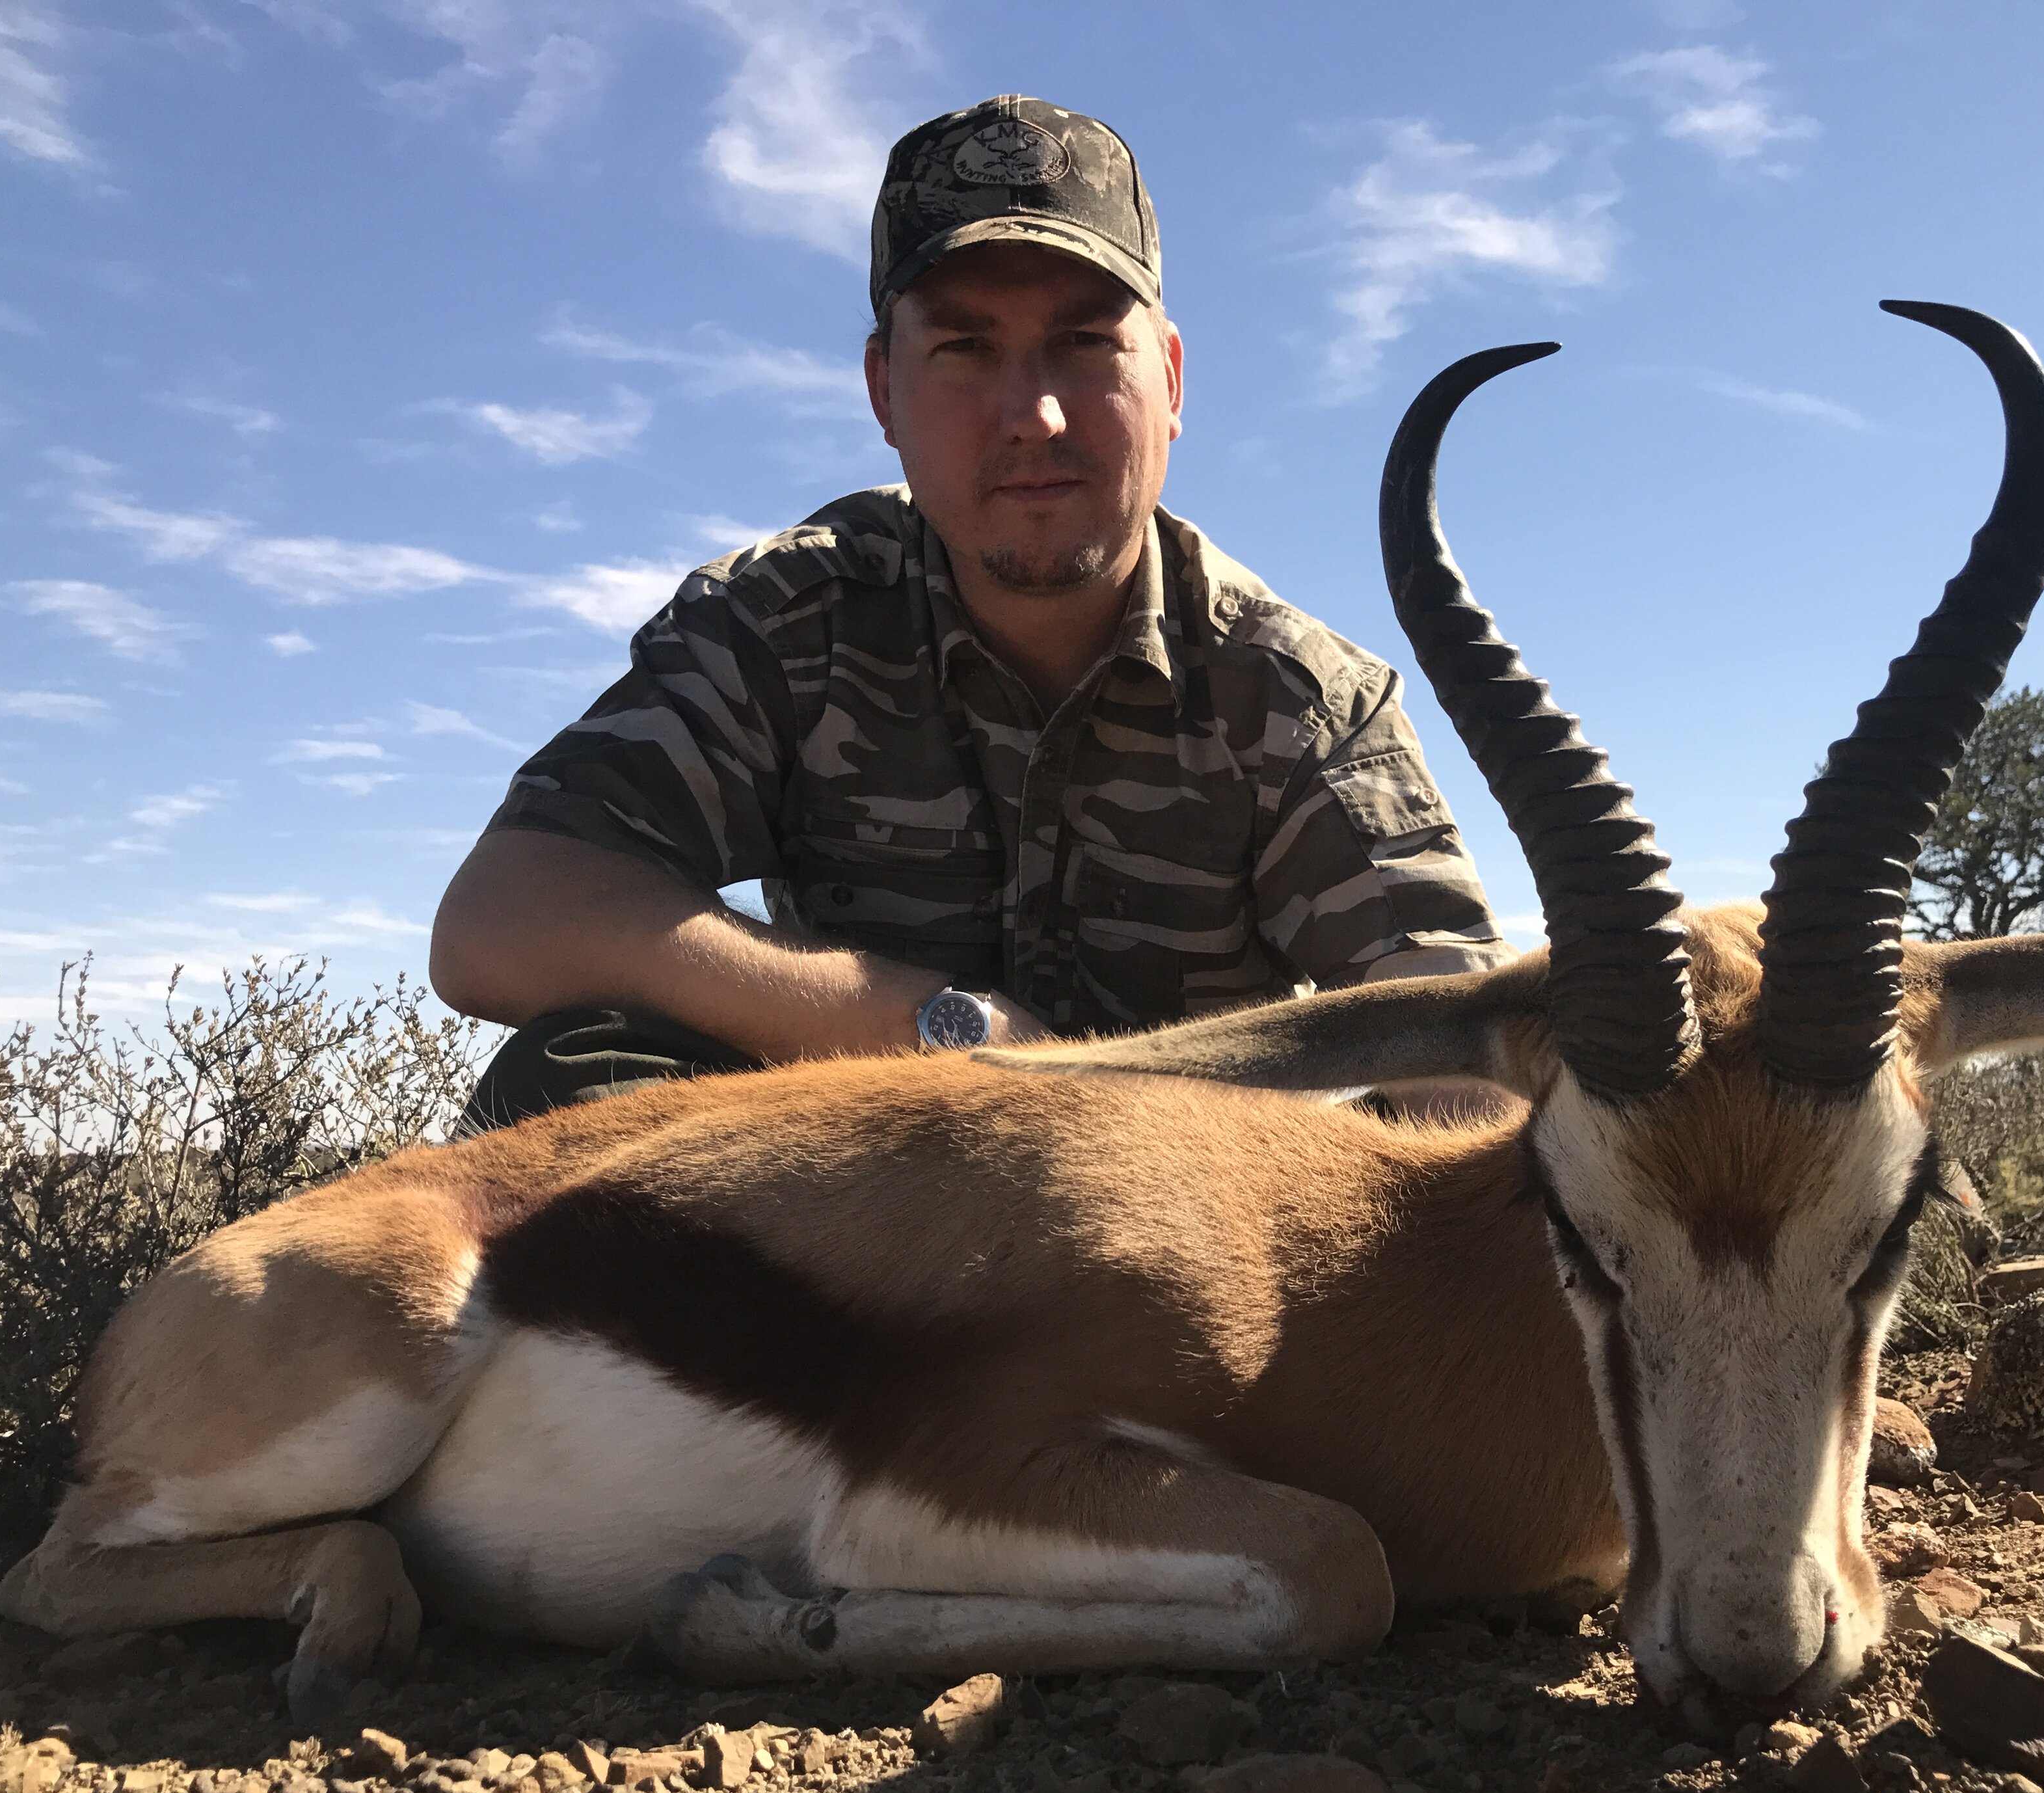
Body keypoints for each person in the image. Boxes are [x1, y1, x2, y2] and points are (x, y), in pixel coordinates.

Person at [429, 96, 1511, 1129]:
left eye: (1087, 345)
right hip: (854, 1222)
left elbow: (1470, 1052)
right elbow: (499, 919)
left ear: (1170, 382)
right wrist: (933, 1028)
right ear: (883, 394)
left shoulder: (1299, 696)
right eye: (964, 350)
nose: (1034, 418)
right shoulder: (785, 621)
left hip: (1177, 1245)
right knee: (575, 1072)